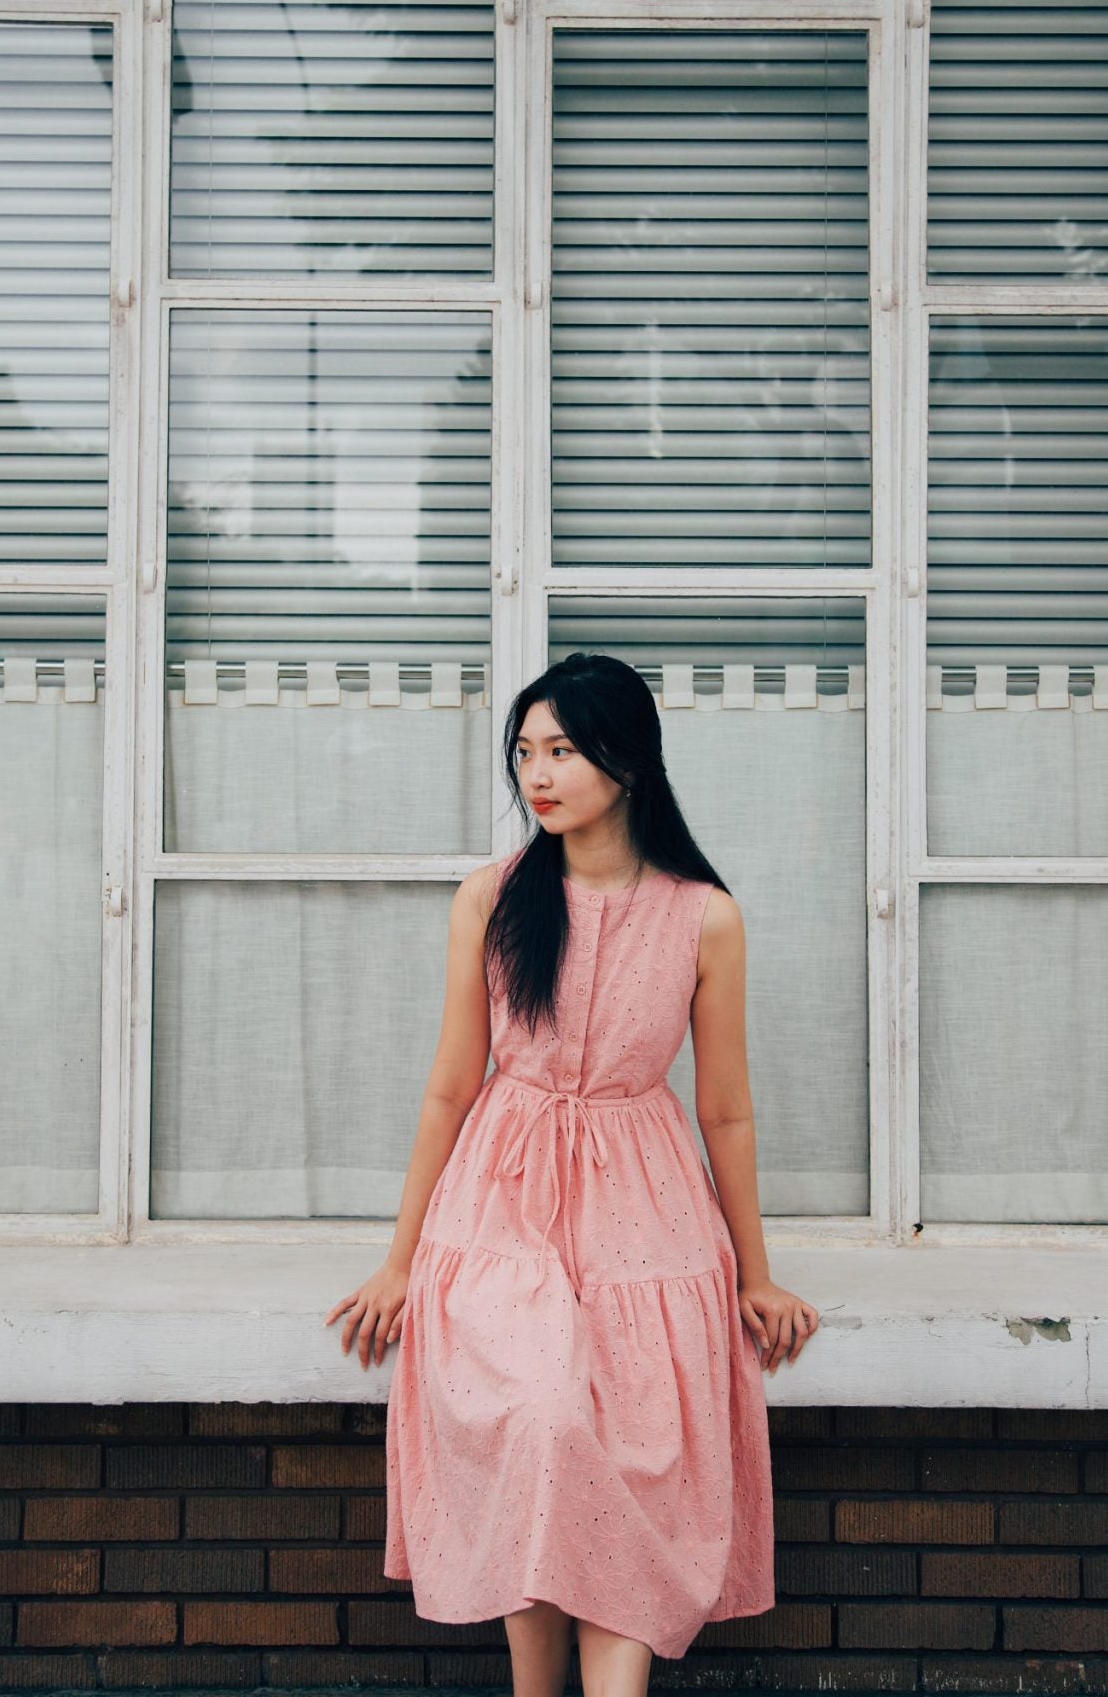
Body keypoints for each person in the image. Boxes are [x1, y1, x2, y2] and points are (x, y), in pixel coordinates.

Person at [325, 649, 820, 1695]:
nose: (536, 775)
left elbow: (724, 1109)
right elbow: (450, 1089)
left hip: (647, 1204)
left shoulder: (702, 915)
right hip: (505, 1203)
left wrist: (755, 1273)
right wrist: (399, 1260)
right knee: (543, 1419)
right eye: (524, 752)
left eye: (561, 749)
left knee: (638, 1431)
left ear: (625, 760)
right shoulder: (491, 898)